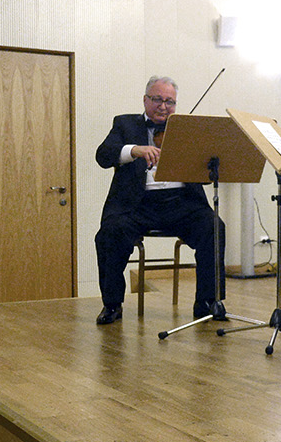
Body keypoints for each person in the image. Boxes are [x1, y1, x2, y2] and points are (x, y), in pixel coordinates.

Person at [92, 76, 224, 325]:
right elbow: (103, 155)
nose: (163, 106)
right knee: (110, 232)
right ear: (145, 100)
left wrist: (201, 164)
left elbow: (206, 176)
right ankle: (112, 304)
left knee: (213, 226)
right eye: (157, 100)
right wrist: (134, 150)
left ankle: (207, 302)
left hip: (182, 203)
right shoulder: (124, 124)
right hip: (137, 204)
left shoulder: (187, 129)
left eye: (169, 102)